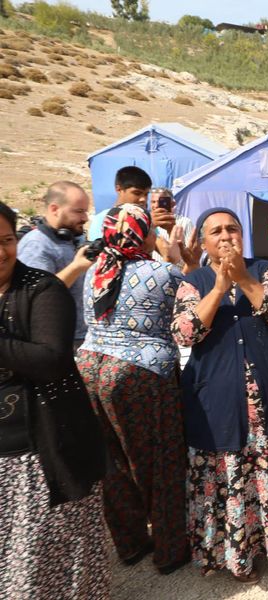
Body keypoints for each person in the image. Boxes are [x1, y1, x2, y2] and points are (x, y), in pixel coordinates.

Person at [172, 208, 268, 585]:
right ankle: (241, 551)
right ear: (203, 243)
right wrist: (220, 287)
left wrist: (241, 277)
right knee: (232, 476)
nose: (225, 236)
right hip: (219, 403)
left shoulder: (265, 270)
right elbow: (185, 333)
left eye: (232, 229)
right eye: (216, 231)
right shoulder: (193, 281)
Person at [0, 200, 109, 599]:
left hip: (41, 455)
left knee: (43, 565)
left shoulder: (42, 288)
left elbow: (50, 359)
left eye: (7, 240)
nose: (1, 252)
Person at [76, 204, 191, 574]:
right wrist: (174, 256)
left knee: (112, 462)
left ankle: (130, 543)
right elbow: (192, 301)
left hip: (91, 369)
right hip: (141, 373)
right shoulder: (161, 272)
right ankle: (170, 550)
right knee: (161, 460)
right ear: (142, 233)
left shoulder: (94, 271)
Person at [17, 181, 95, 347]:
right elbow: (36, 295)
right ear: (54, 209)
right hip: (58, 342)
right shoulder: (37, 245)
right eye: (79, 211)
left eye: (86, 212)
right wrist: (76, 267)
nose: (85, 218)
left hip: (80, 337)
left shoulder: (69, 239)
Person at [88, 166, 152, 240]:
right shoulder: (102, 220)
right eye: (137, 193)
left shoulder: (148, 221)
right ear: (119, 189)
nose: (143, 199)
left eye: (146, 194)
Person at [149, 187, 196, 269]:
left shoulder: (184, 222)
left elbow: (191, 254)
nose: (156, 205)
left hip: (178, 272)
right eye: (153, 202)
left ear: (172, 203)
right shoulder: (147, 223)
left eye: (161, 201)